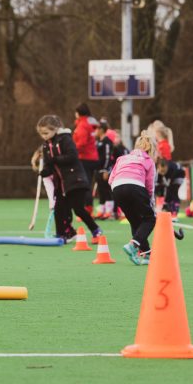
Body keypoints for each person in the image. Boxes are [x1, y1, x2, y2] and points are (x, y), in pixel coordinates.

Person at [36, 115, 102, 244]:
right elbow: (50, 166)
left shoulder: (65, 139)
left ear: (55, 129)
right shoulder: (46, 146)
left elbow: (72, 156)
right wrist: (45, 171)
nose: (44, 136)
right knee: (59, 208)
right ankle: (64, 233)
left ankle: (95, 229)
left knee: (78, 209)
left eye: (46, 133)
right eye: (41, 134)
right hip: (61, 183)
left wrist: (55, 159)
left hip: (75, 180)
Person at [108, 131, 157, 265]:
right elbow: (149, 186)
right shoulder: (148, 161)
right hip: (135, 186)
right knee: (150, 219)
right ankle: (133, 246)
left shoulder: (122, 158)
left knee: (135, 221)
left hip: (117, 188)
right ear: (151, 149)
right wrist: (151, 203)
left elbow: (111, 179)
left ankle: (146, 254)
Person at [73, 103, 99, 213]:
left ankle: (87, 209)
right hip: (92, 157)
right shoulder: (89, 124)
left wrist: (72, 150)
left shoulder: (82, 125)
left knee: (85, 184)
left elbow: (82, 143)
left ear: (78, 113)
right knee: (88, 183)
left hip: (85, 158)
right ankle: (88, 208)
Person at [95, 121, 116, 220]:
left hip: (104, 170)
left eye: (97, 129)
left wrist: (106, 170)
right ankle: (101, 211)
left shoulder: (107, 142)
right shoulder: (98, 141)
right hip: (98, 170)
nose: (95, 131)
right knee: (100, 190)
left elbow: (108, 157)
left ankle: (109, 212)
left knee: (107, 190)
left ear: (101, 130)